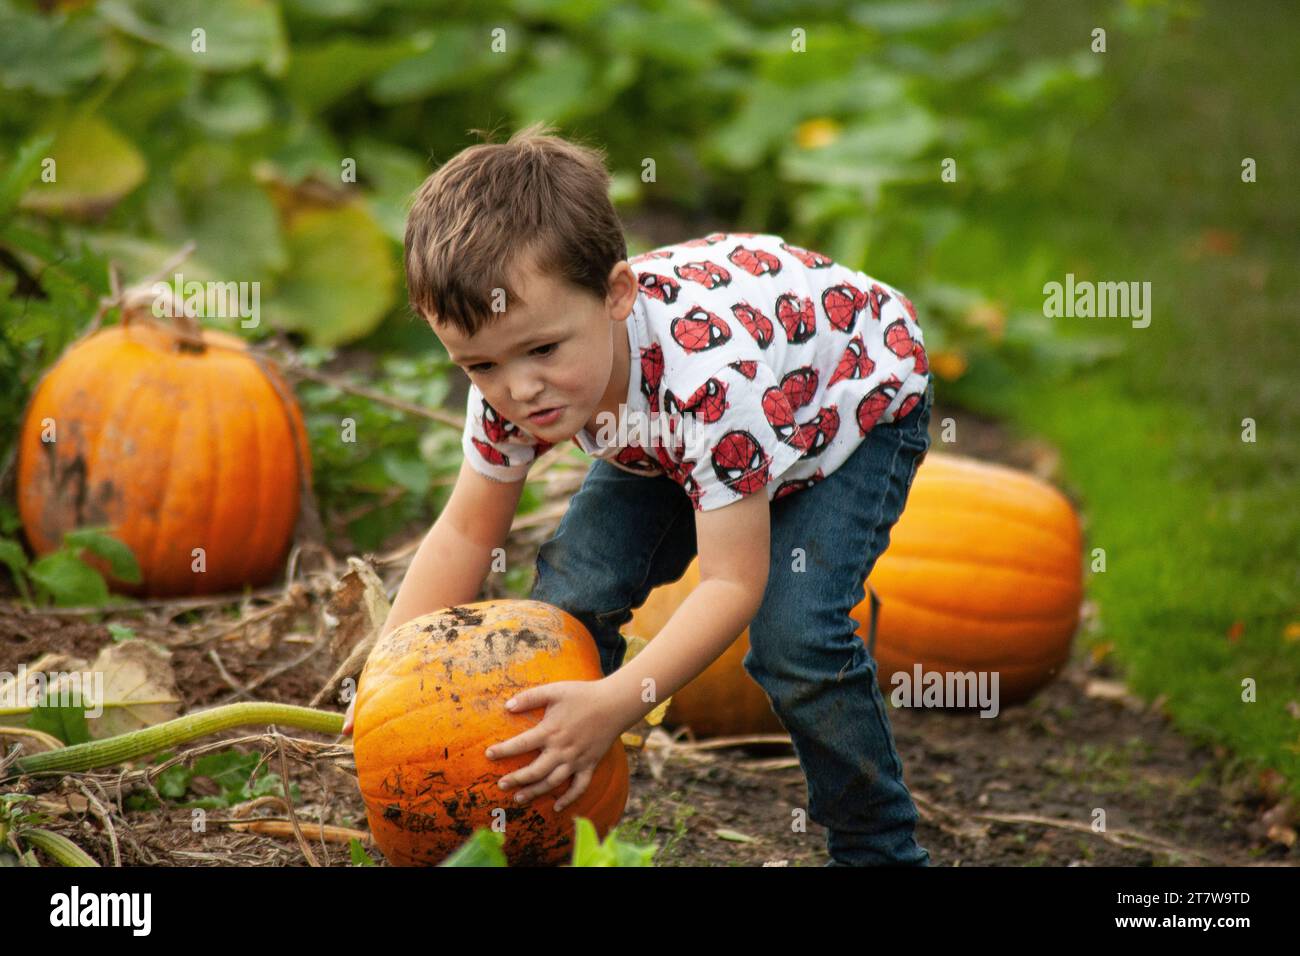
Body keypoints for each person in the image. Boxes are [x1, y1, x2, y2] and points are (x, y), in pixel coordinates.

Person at [342, 122, 933, 866]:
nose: (518, 389)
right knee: (566, 606)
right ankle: (553, 824)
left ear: (617, 294)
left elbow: (731, 583)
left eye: (544, 350)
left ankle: (880, 847)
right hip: (668, 435)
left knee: (797, 643)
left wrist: (617, 700)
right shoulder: (510, 383)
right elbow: (465, 534)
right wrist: (385, 681)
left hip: (848, 407)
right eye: (480, 365)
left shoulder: (709, 385)